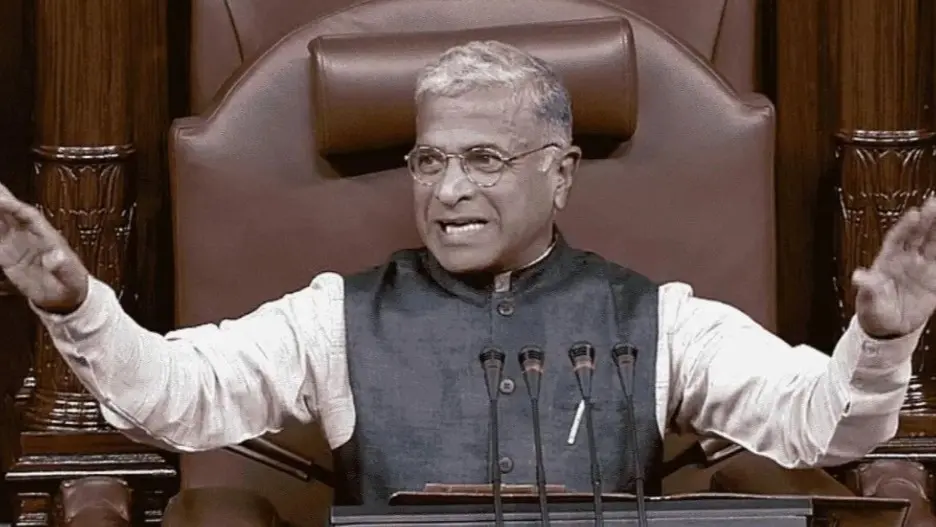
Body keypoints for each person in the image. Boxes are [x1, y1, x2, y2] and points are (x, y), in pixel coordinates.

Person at [0, 40, 933, 506]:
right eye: (429, 160)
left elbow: (824, 424)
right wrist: (76, 303)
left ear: (560, 172)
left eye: (484, 160)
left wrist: (884, 336)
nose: (447, 189)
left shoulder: (663, 320)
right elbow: (176, 395)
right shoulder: (334, 318)